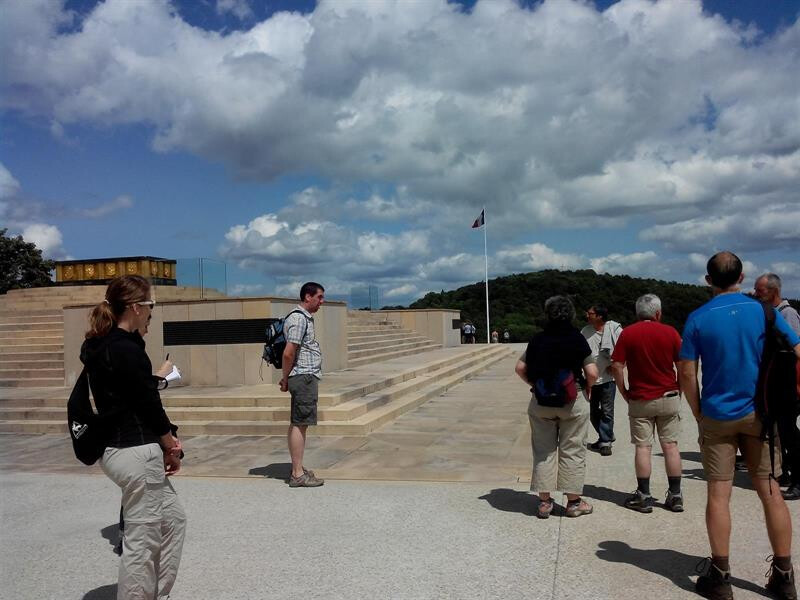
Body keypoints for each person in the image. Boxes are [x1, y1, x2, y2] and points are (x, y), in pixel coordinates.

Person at [678, 252, 800, 600]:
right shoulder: (765, 312)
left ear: (707, 280)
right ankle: (784, 575)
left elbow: (686, 372)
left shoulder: (698, 318)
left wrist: (699, 412)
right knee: (771, 491)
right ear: (742, 277)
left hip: (717, 414)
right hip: (761, 414)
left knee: (719, 493)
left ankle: (720, 576)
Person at [80, 274, 186, 600]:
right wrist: (170, 445)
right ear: (137, 307)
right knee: (141, 543)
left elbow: (132, 392)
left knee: (172, 521)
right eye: (151, 306)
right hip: (136, 451)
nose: (151, 312)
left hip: (117, 450)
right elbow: (147, 404)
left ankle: (155, 594)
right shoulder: (125, 349)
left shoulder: (99, 344)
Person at [515, 295, 599, 519]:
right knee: (573, 450)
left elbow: (520, 367)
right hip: (572, 400)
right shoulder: (577, 339)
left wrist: (534, 385)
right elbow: (592, 372)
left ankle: (544, 502)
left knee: (544, 451)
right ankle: (573, 503)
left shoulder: (538, 339)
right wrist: (587, 387)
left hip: (542, 401)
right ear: (570, 314)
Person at [610, 294, 684, 513]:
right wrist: (678, 388)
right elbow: (683, 365)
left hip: (641, 398)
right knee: (670, 445)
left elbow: (616, 365)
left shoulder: (628, 334)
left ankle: (644, 495)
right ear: (658, 313)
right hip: (668, 396)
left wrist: (624, 391)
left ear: (637, 313)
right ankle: (676, 494)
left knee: (643, 447)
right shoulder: (670, 332)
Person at [755, 272, 800, 501]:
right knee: (778, 431)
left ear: (773, 292)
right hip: (775, 383)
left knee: (789, 431)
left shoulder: (787, 313)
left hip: (788, 384)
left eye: (759, 290)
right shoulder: (769, 314)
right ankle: (785, 472)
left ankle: (798, 479)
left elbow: (795, 351)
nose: (755, 294)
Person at [280, 281, 325, 487]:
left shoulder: (301, 318)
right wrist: (286, 377)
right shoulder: (299, 319)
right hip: (304, 376)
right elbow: (289, 352)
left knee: (298, 422)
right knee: (300, 424)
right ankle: (297, 474)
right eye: (319, 297)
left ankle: (297, 468)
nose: (321, 302)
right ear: (308, 297)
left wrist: (287, 377)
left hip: (302, 376)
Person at [581, 305, 622, 456]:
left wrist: (617, 364)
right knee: (591, 412)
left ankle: (605, 442)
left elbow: (625, 349)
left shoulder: (614, 330)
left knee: (607, 411)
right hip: (590, 378)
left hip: (608, 379)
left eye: (590, 313)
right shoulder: (585, 331)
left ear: (599, 316)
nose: (587, 315)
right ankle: (607, 434)